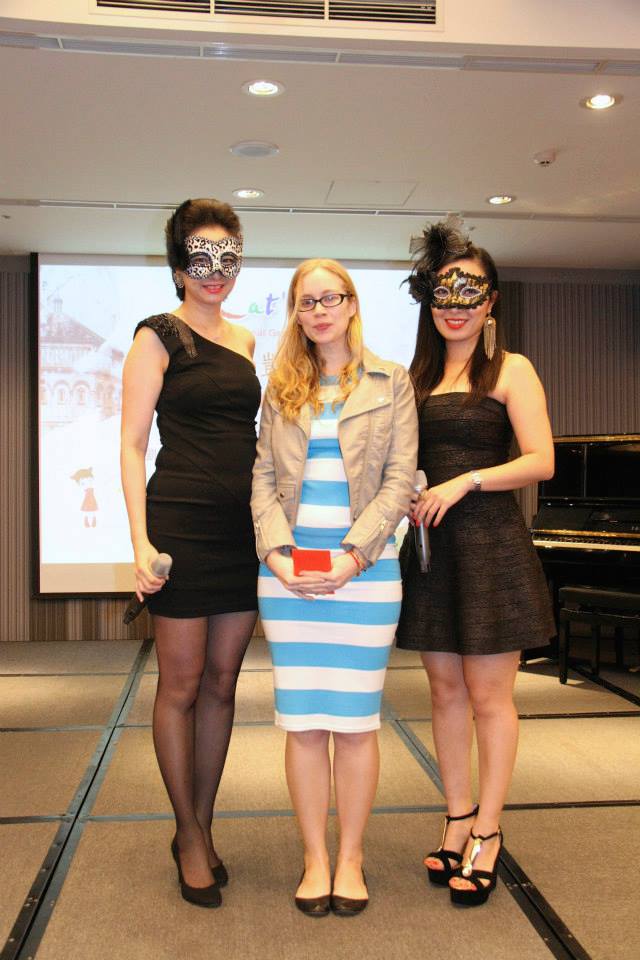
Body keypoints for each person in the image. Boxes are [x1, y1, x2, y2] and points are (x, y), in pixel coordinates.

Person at [396, 220, 555, 907]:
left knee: (491, 698)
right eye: (444, 293)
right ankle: (456, 816)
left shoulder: (511, 369)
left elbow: (541, 460)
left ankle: (488, 830)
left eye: (471, 292)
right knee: (444, 693)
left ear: (491, 301)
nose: (456, 306)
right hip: (433, 553)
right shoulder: (415, 377)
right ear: (428, 301)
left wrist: (467, 480)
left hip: (491, 549)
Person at [251, 259, 417, 916]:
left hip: (365, 573)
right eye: (306, 301)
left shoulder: (390, 380)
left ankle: (350, 857)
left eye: (330, 298)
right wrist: (275, 553)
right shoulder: (281, 387)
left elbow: (400, 480)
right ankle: (314, 858)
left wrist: (354, 555)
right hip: (288, 573)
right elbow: (263, 478)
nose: (318, 311)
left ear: (351, 304)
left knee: (353, 724)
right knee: (301, 724)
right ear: (295, 312)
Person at [120, 198, 261, 908]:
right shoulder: (157, 336)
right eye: (201, 257)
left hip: (240, 532)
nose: (215, 270)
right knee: (179, 686)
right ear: (179, 265)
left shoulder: (246, 339)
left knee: (223, 685)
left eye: (227, 256)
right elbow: (131, 445)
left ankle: (200, 826)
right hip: (180, 525)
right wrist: (140, 542)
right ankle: (187, 831)